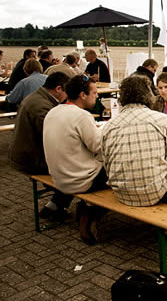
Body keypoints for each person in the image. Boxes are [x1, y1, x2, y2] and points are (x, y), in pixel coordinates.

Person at [102, 76, 167, 207]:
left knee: (157, 163)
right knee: (166, 167)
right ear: (148, 94)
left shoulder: (109, 126)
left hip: (121, 193)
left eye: (166, 87)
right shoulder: (163, 119)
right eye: (160, 88)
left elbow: (106, 162)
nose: (162, 91)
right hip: (155, 192)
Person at [43, 75, 109, 244]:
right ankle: (88, 211)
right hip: (81, 180)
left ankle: (56, 203)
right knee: (118, 172)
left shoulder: (53, 111)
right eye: (94, 93)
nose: (97, 96)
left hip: (58, 178)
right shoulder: (81, 116)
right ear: (82, 95)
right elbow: (98, 147)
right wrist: (105, 132)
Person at [9, 72, 71, 221]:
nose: (68, 96)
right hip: (31, 160)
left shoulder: (38, 98)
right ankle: (56, 206)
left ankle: (54, 205)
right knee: (80, 171)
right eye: (67, 92)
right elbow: (54, 138)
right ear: (58, 89)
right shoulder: (42, 107)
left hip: (25, 154)